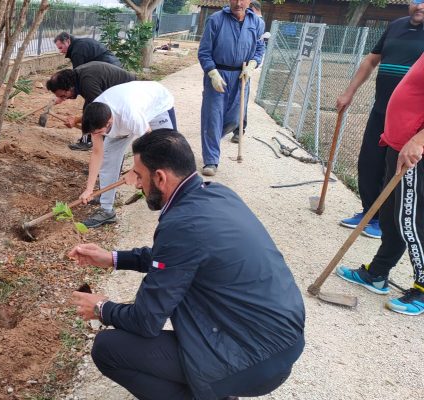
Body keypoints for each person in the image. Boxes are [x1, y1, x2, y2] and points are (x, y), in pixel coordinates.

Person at [68, 129, 305, 400]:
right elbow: (174, 257)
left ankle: (220, 389)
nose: (136, 185)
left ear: (160, 178)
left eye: (140, 176)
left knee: (108, 348)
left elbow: (146, 320)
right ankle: (220, 388)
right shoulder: (216, 195)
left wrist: (101, 308)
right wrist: (112, 258)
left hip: (252, 360)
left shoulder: (181, 225)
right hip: (280, 345)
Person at [336, 53, 424, 316]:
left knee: (411, 223)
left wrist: (419, 140)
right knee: (390, 218)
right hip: (398, 146)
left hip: (414, 153)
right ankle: (377, 273)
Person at [337, 0, 424, 239]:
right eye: (416, 1)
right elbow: (370, 60)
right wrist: (349, 92)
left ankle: (386, 224)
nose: (420, 6)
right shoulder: (395, 26)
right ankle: (369, 214)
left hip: (412, 122)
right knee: (369, 164)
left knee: (393, 171)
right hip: (381, 112)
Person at [78, 81, 176, 228]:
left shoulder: (130, 115)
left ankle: (170, 199)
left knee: (166, 152)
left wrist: (135, 171)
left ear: (109, 121)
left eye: (99, 132)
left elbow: (150, 143)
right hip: (125, 114)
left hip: (157, 105)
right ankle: (106, 210)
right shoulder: (95, 114)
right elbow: (97, 153)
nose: (97, 135)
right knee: (108, 159)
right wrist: (89, 189)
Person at [197, 0, 265, 176]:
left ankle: (211, 140)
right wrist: (212, 73)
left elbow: (259, 47)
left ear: (249, 1)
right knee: (213, 118)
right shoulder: (216, 19)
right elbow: (204, 51)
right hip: (218, 74)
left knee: (235, 119)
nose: (238, 3)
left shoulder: (257, 23)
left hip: (242, 76)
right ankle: (211, 160)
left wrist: (253, 64)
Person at [45, 62, 135, 151]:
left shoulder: (87, 82)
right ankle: (88, 139)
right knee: (88, 108)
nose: (65, 99)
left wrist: (76, 120)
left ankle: (94, 141)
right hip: (121, 89)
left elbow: (99, 109)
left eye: (63, 95)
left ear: (69, 87)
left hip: (130, 91)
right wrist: (61, 97)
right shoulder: (77, 76)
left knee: (96, 113)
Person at [53, 31, 122, 69]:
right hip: (115, 66)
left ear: (67, 41)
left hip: (109, 69)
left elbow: (78, 73)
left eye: (61, 48)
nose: (60, 51)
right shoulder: (82, 43)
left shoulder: (77, 51)